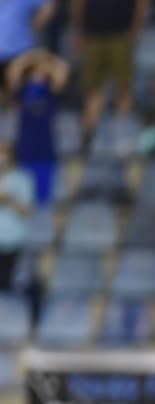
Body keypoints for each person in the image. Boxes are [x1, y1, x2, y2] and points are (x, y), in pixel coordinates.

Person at [70, 0, 147, 141]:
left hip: (121, 34)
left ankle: (123, 137)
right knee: (92, 88)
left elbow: (141, 3)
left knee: (124, 87)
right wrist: (79, 31)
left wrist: (136, 28)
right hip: (93, 34)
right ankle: (89, 138)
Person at [6, 48, 67, 207]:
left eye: (41, 71)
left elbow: (62, 69)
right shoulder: (22, 90)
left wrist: (45, 58)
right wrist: (30, 57)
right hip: (25, 150)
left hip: (46, 151)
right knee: (25, 198)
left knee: (44, 202)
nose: (38, 74)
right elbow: (13, 71)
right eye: (35, 71)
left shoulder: (51, 91)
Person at [0, 141, 34, 298]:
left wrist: (9, 200)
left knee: (8, 289)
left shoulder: (23, 178)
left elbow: (27, 212)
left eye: (3, 153)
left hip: (13, 241)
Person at [0, 0, 53, 82]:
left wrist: (35, 28)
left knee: (37, 79)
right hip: (4, 54)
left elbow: (47, 7)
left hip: (21, 53)